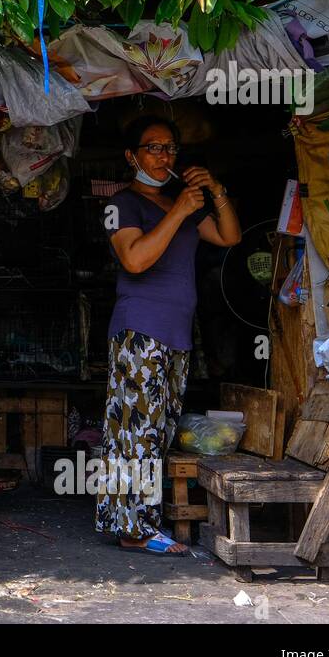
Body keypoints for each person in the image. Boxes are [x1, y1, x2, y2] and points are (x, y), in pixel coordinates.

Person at [95, 114, 241, 554]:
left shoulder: (179, 205)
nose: (164, 156)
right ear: (131, 156)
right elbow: (135, 260)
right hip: (140, 331)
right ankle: (135, 529)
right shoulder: (122, 204)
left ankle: (135, 522)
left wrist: (215, 191)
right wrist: (180, 209)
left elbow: (229, 235)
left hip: (176, 336)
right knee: (134, 433)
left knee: (155, 432)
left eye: (170, 148)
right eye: (153, 148)